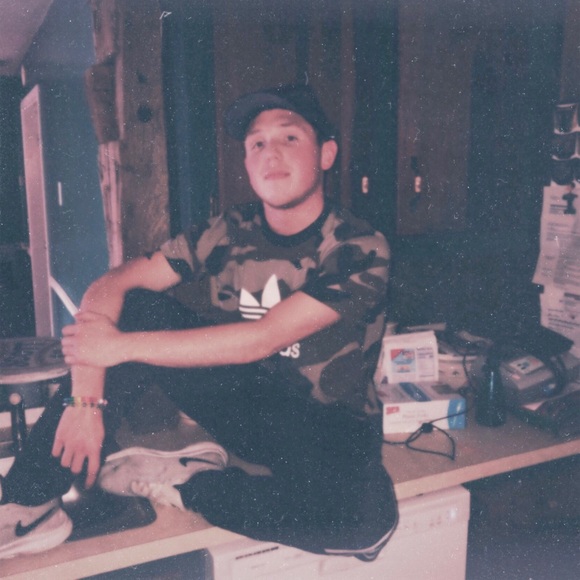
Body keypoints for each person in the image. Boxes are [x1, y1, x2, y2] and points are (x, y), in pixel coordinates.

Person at [0, 83, 397, 561]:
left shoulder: (360, 247)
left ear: (326, 154)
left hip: (331, 428)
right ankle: (26, 502)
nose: (270, 152)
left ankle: (188, 481)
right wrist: (85, 399)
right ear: (246, 162)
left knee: (365, 525)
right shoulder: (228, 230)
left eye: (289, 137)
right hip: (249, 406)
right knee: (137, 305)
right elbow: (115, 283)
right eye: (256, 143)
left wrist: (118, 348)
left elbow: (263, 338)